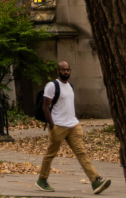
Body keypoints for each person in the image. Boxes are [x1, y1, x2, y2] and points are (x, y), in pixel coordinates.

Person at [37, 61, 112, 194]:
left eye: (68, 70)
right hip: (58, 126)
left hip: (73, 126)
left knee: (81, 153)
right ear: (58, 71)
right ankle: (42, 180)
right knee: (50, 154)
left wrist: (74, 118)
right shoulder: (52, 86)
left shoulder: (70, 86)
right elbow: (45, 107)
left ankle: (95, 181)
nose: (66, 72)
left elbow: (68, 105)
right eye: (63, 70)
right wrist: (52, 125)